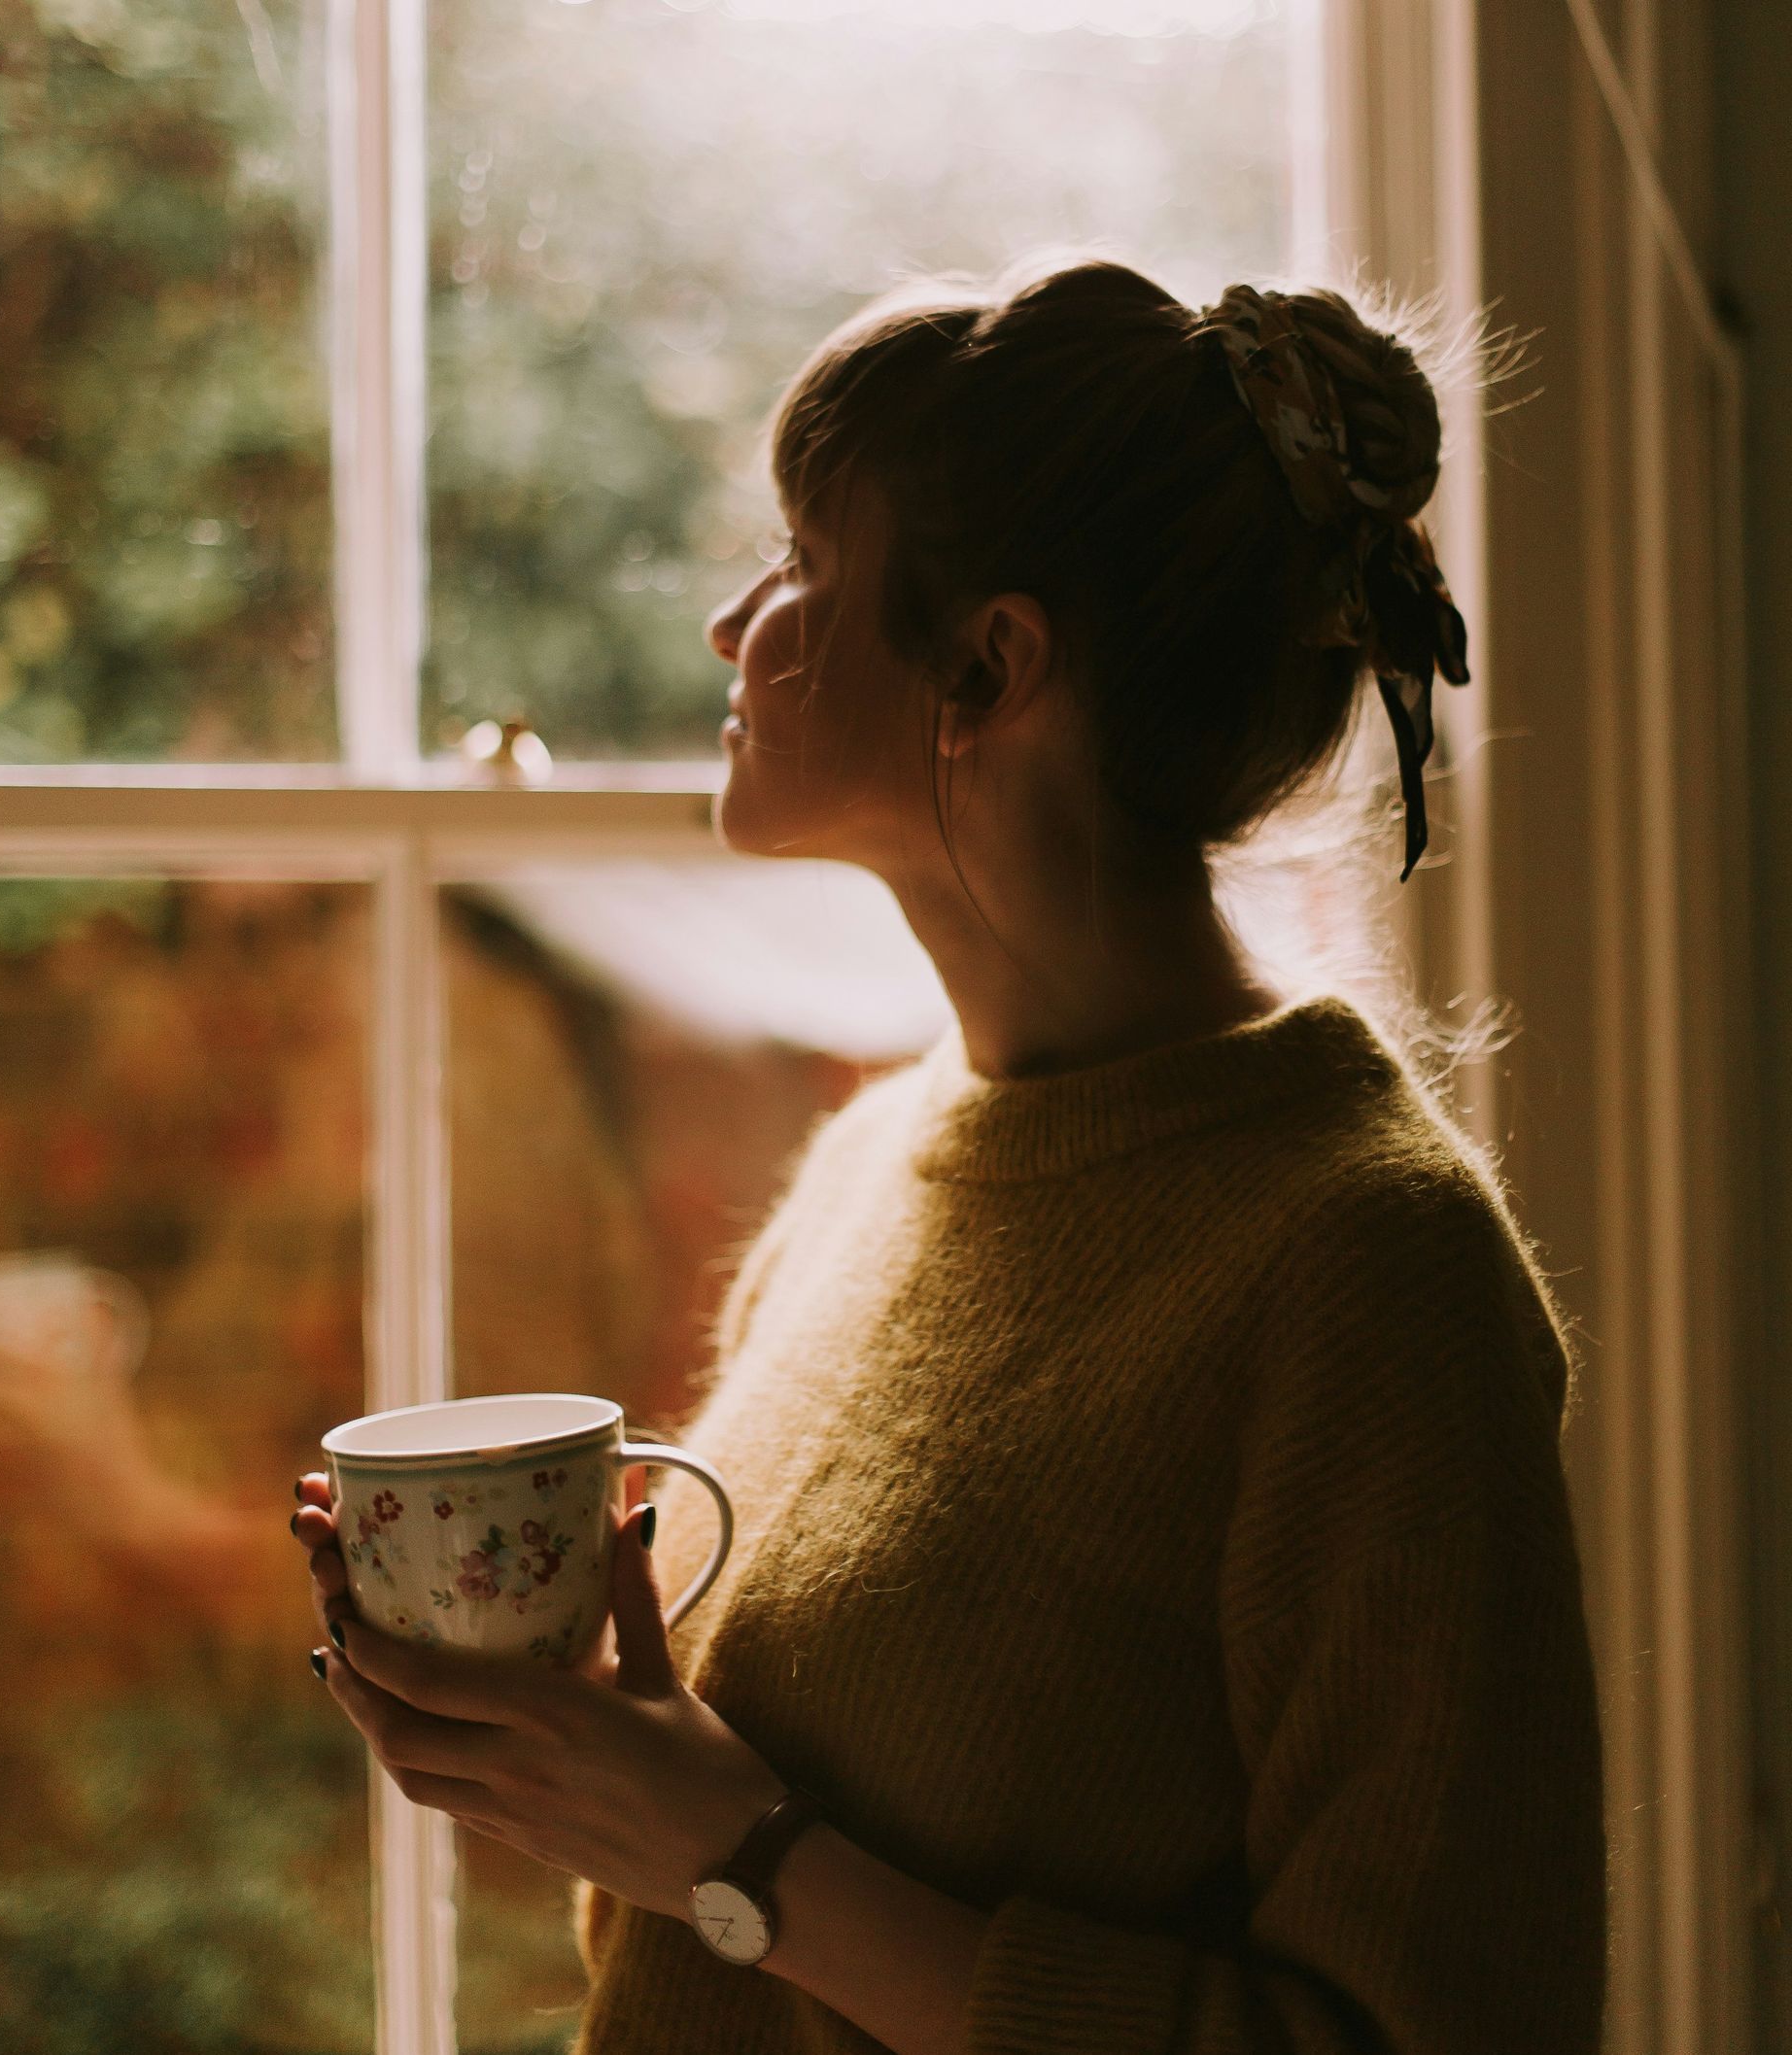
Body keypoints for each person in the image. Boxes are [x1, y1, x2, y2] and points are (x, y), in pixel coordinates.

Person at [291, 257, 1606, 2055]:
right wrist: (565, 1725)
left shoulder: (1371, 1275)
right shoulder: (874, 1161)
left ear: (988, 666)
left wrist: (740, 1854)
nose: (730, 626)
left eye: (807, 570)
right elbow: (763, 1862)